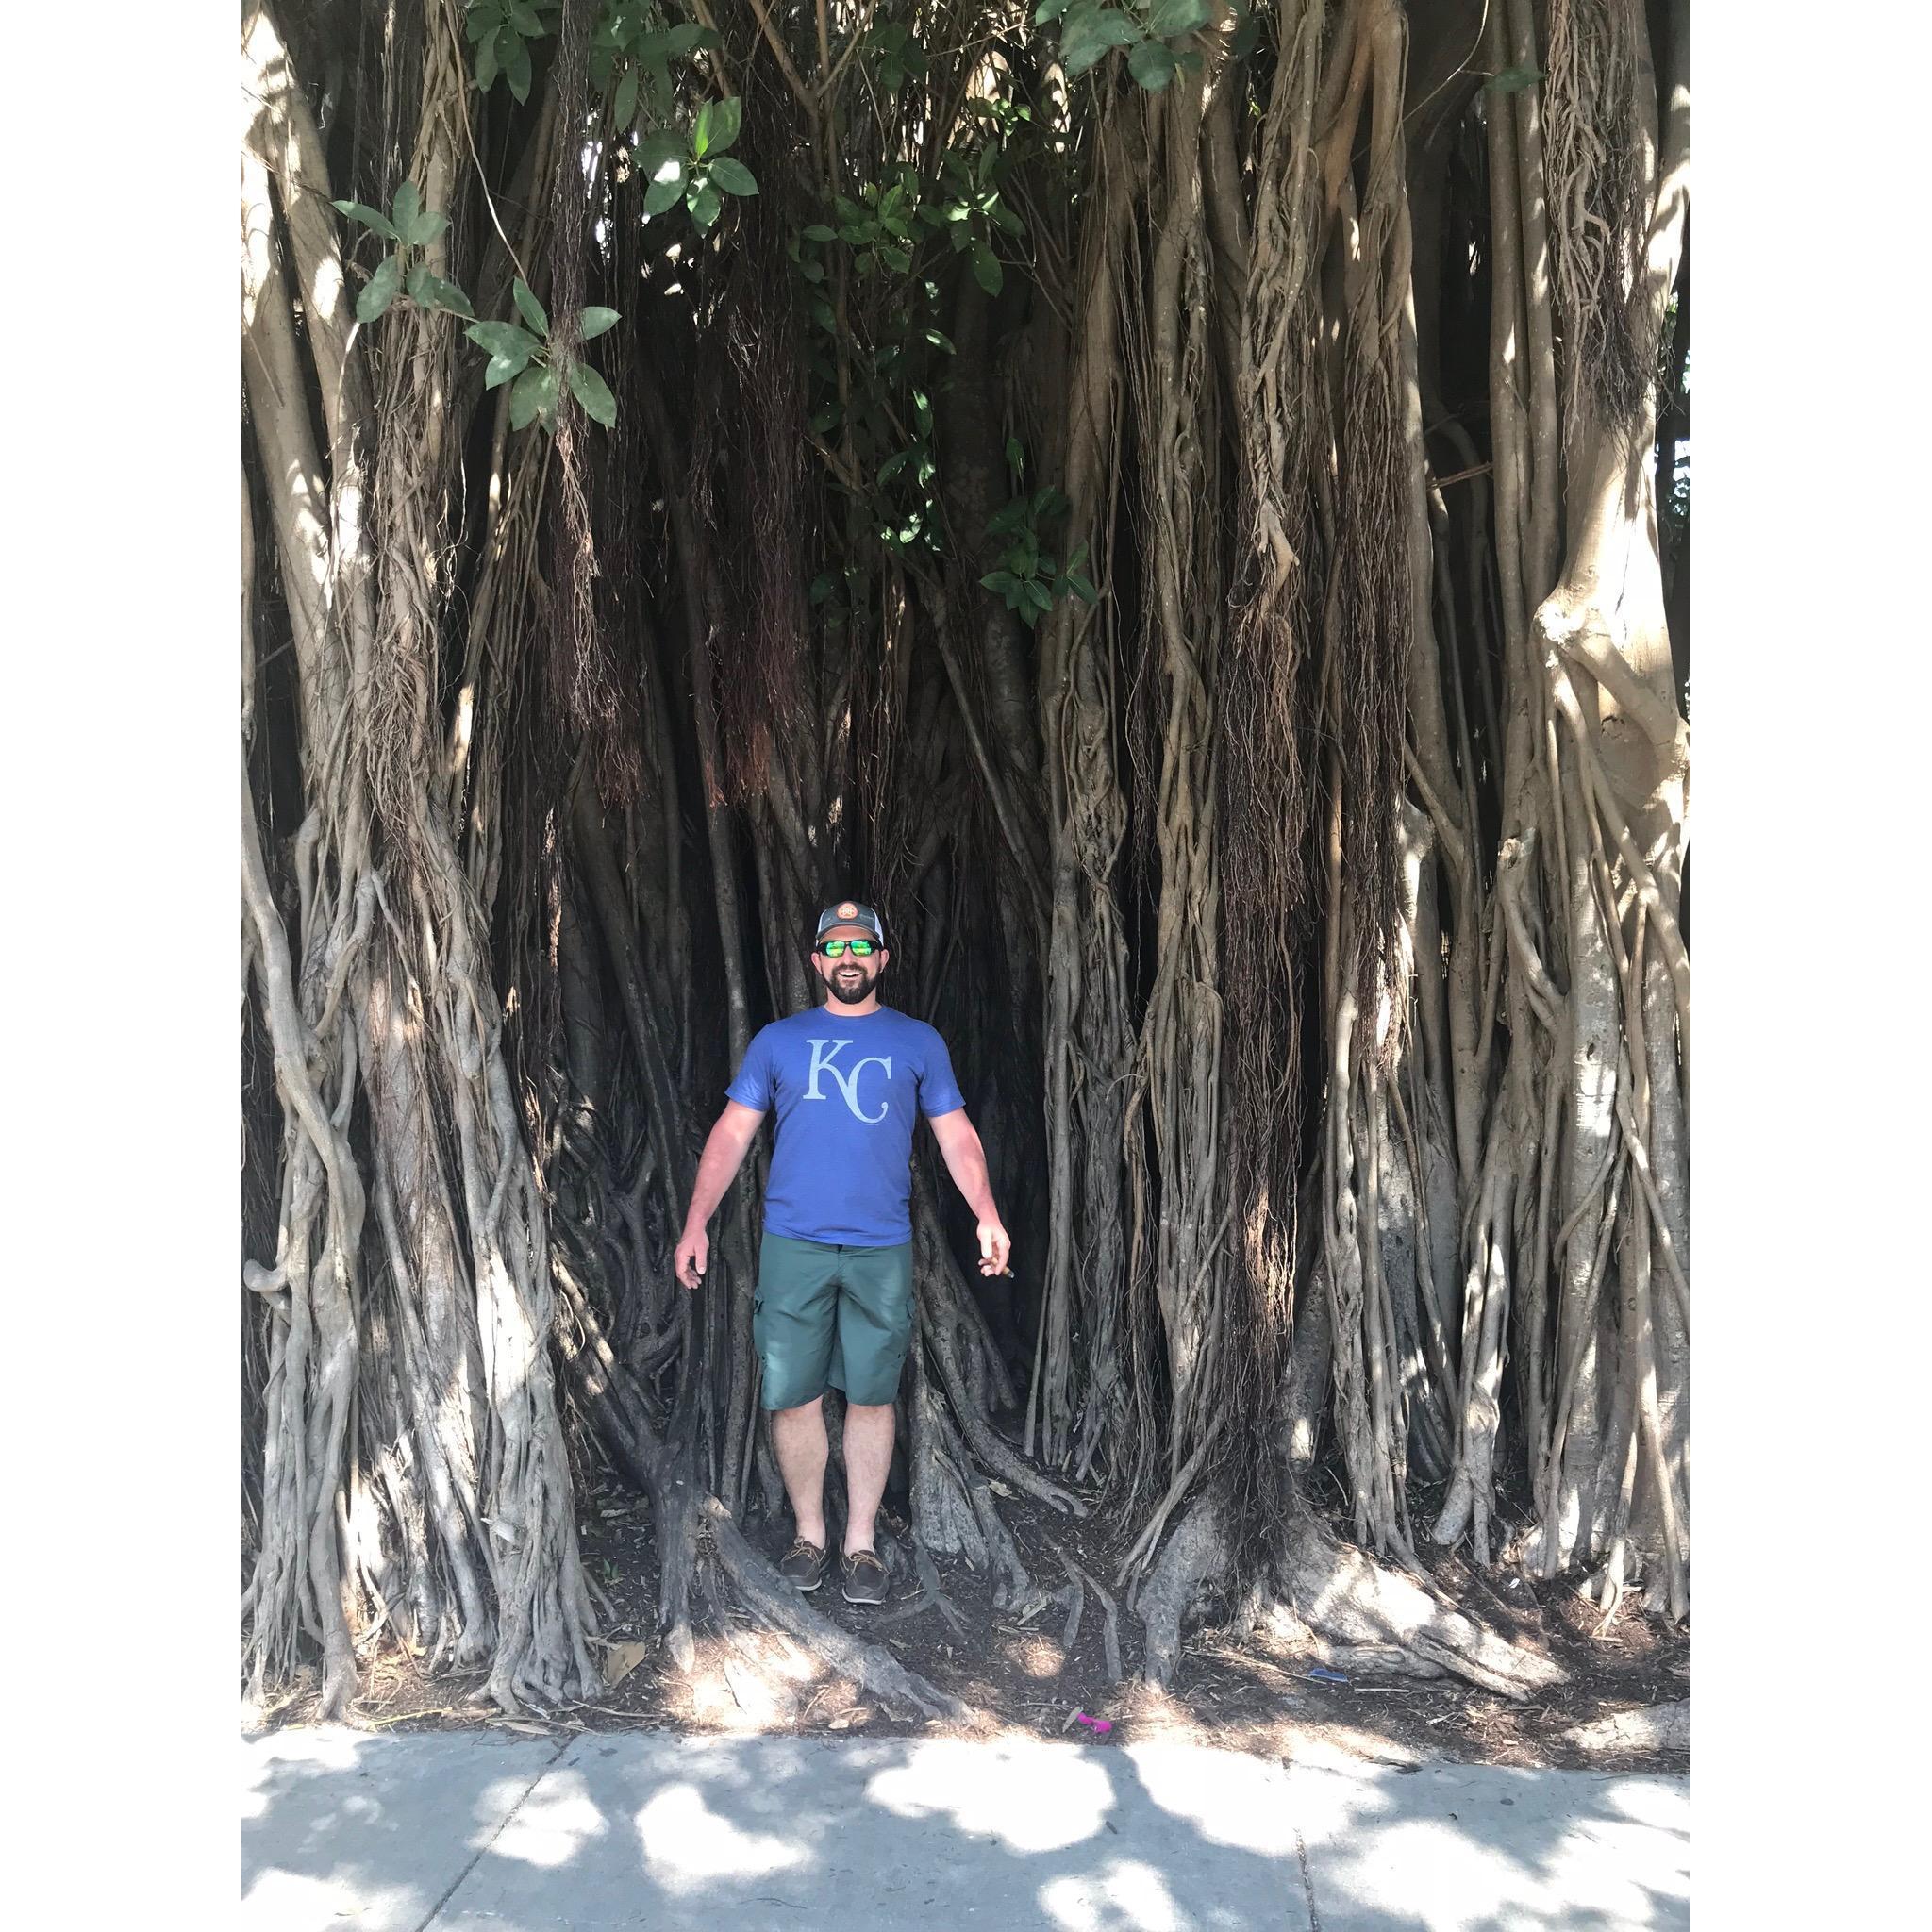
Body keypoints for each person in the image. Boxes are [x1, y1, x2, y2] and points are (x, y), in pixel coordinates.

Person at [674, 900, 1012, 1606]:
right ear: (817, 961)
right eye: (836, 947)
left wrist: (986, 1212)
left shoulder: (918, 1042)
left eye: (863, 947)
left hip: (879, 1249)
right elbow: (733, 1134)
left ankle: (859, 1541)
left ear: (882, 960)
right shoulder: (778, 1042)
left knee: (871, 1395)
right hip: (792, 1246)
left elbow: (955, 1135)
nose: (849, 958)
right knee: (793, 1396)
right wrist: (697, 1221)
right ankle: (809, 1534)